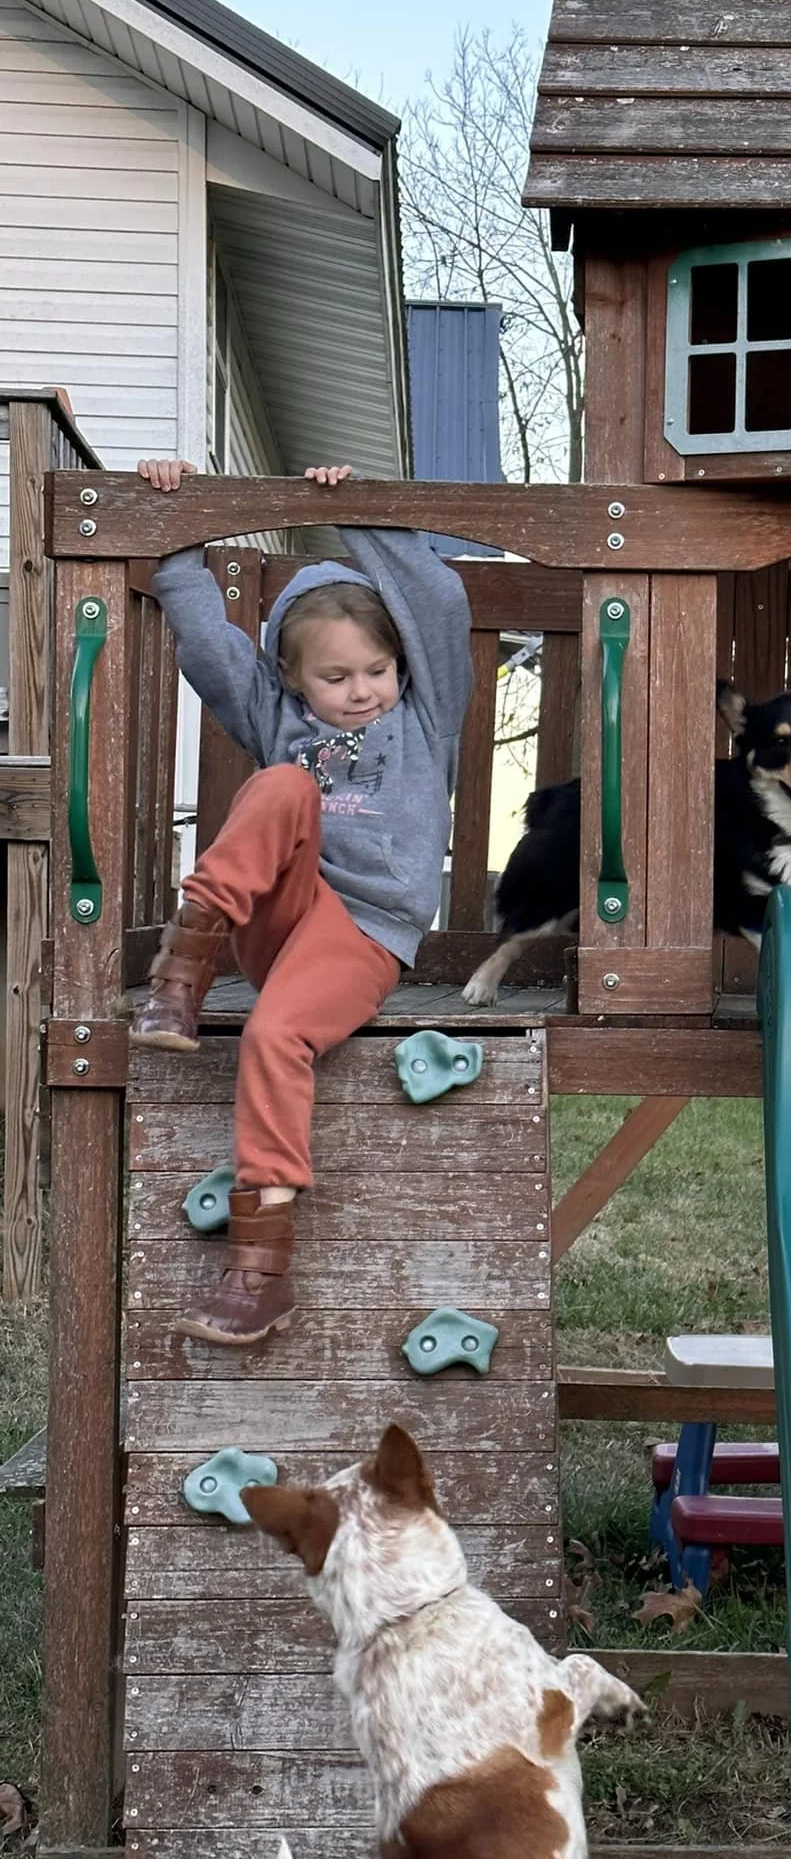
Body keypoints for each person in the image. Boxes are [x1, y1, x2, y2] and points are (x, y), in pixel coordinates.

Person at [131, 460, 471, 1345]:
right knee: (282, 785)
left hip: (362, 933)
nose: (362, 690)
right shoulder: (275, 718)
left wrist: (351, 509)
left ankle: (259, 1271)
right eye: (336, 678)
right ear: (291, 680)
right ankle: (184, 968)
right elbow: (210, 645)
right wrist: (182, 530)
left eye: (376, 669)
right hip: (276, 920)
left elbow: (435, 603)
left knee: (276, 1036)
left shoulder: (425, 715)